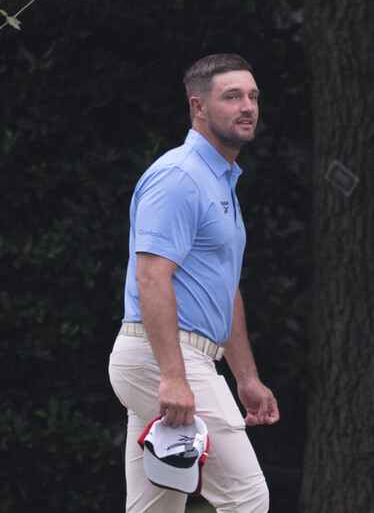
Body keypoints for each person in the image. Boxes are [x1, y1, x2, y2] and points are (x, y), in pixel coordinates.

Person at [108, 53, 279, 512]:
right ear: (198, 107)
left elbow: (225, 286)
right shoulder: (179, 176)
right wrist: (172, 376)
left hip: (173, 357)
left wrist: (245, 377)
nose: (248, 106)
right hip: (160, 357)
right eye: (232, 97)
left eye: (253, 96)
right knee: (246, 496)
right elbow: (151, 276)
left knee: (155, 507)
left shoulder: (220, 179)